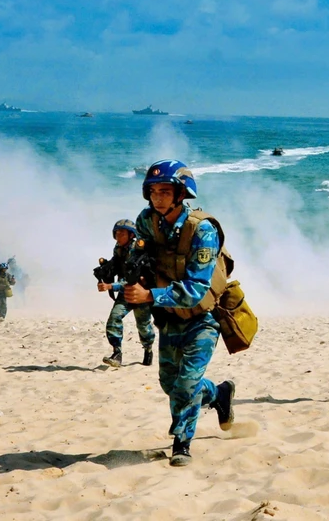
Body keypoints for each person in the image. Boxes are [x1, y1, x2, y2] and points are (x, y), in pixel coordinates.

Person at [122, 159, 235, 467]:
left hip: (203, 318)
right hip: (169, 318)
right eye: (153, 191)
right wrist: (125, 280)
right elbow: (139, 256)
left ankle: (181, 444)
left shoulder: (203, 231)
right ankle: (219, 393)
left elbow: (197, 289)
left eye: (165, 191)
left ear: (181, 193)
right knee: (170, 384)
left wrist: (150, 294)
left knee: (185, 385)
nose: (157, 197)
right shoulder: (146, 221)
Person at [99, 219, 155, 368]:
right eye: (116, 233)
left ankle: (148, 349)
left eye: (122, 233)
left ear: (131, 235)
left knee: (143, 326)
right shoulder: (118, 248)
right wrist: (105, 271)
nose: (118, 236)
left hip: (140, 293)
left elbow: (131, 278)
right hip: (126, 293)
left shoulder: (136, 250)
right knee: (114, 319)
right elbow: (116, 264)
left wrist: (111, 286)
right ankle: (117, 353)